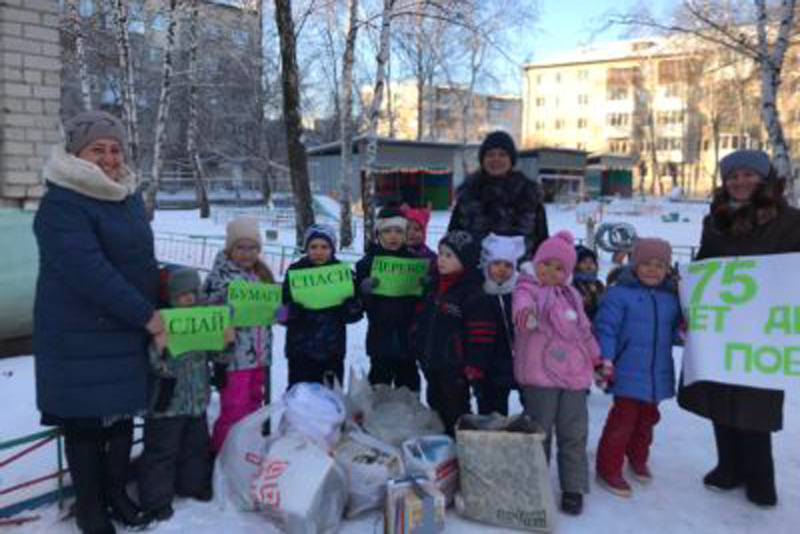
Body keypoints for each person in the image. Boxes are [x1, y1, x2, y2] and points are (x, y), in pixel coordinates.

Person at [33, 110, 159, 533]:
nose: (108, 158)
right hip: (79, 333)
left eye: (115, 148)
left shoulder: (124, 197)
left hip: (123, 328)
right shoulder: (61, 203)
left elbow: (139, 261)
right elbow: (90, 273)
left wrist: (173, 289)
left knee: (121, 417)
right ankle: (90, 507)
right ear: (75, 153)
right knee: (85, 423)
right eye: (97, 149)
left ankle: (116, 494)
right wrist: (147, 315)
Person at [677, 150, 800, 507]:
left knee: (754, 400)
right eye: (733, 176)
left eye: (748, 174)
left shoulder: (789, 220)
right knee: (719, 394)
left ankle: (761, 476)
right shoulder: (715, 219)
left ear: (764, 178)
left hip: (762, 329)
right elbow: (706, 262)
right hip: (724, 327)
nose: (740, 181)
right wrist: (689, 283)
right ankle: (728, 467)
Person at [513, 231, 600, 516]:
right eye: (546, 264)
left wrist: (597, 359)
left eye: (559, 268)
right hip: (540, 375)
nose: (551, 271)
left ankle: (573, 487)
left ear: (568, 272)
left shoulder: (572, 295)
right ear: (536, 262)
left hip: (575, 375)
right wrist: (527, 316)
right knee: (539, 433)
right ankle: (534, 482)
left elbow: (584, 331)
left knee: (573, 433)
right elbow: (521, 312)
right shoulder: (526, 289)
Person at [593, 238, 681, 498]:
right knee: (623, 421)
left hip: (657, 373)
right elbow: (605, 328)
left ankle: (638, 457)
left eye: (659, 265)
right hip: (626, 369)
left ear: (667, 269)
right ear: (634, 265)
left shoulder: (671, 297)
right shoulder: (620, 294)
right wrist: (605, 359)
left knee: (648, 420)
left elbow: (676, 329)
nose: (652, 270)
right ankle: (608, 468)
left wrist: (685, 330)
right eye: (646, 264)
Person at [138, 268, 228, 521]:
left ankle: (193, 485)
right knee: (161, 451)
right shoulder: (163, 324)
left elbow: (217, 357)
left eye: (192, 294)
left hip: (197, 400)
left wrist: (226, 342)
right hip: (167, 404)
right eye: (181, 295)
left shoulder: (204, 321)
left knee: (196, 447)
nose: (187, 299)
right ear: (171, 298)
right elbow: (159, 367)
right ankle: (156, 500)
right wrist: (162, 348)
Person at [202, 216, 274, 452]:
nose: (246, 254)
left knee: (254, 405)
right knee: (234, 409)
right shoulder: (220, 276)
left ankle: (246, 453)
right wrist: (225, 304)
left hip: (259, 357)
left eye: (252, 248)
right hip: (233, 358)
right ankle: (222, 456)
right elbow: (205, 306)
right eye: (240, 247)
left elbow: (269, 312)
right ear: (230, 248)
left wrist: (280, 312)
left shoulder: (261, 275)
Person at [413, 230, 485, 434]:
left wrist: (474, 365)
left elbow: (478, 334)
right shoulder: (434, 284)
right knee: (435, 405)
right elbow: (422, 316)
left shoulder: (472, 292)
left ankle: (461, 449)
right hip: (431, 362)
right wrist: (416, 337)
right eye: (440, 253)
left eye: (449, 255)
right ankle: (442, 449)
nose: (441, 260)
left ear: (466, 260)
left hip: (455, 367)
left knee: (456, 410)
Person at [279, 224, 362, 387]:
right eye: (313, 246)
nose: (318, 252)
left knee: (331, 400)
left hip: (332, 351)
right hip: (300, 351)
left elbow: (356, 314)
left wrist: (351, 307)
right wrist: (290, 312)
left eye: (324, 247)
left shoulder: (343, 274)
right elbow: (280, 312)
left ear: (332, 249)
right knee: (300, 398)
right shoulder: (295, 272)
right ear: (306, 248)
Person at [448, 130, 549, 256]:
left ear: (511, 159)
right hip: (474, 271)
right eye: (490, 154)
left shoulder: (528, 194)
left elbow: (542, 241)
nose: (496, 159)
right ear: (482, 159)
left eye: (502, 155)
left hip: (519, 272)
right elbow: (452, 238)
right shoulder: (469, 193)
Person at [356, 206, 420, 390]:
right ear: (378, 234)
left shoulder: (415, 262)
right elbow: (358, 306)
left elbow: (423, 304)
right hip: (380, 338)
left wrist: (426, 287)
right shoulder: (366, 264)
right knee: (378, 387)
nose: (393, 236)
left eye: (399, 231)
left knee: (409, 388)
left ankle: (409, 418)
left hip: (409, 339)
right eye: (387, 231)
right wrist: (363, 290)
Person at [463, 233, 526, 416]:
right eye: (496, 264)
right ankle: (492, 437)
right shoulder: (479, 293)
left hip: (518, 360)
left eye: (508, 265)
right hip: (489, 365)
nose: (502, 269)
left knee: (531, 405)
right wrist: (474, 364)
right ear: (487, 265)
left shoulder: (520, 293)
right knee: (492, 407)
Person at [573, 245, 605, 320]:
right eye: (584, 262)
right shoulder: (573, 283)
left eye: (591, 262)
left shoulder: (599, 284)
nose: (589, 265)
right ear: (576, 265)